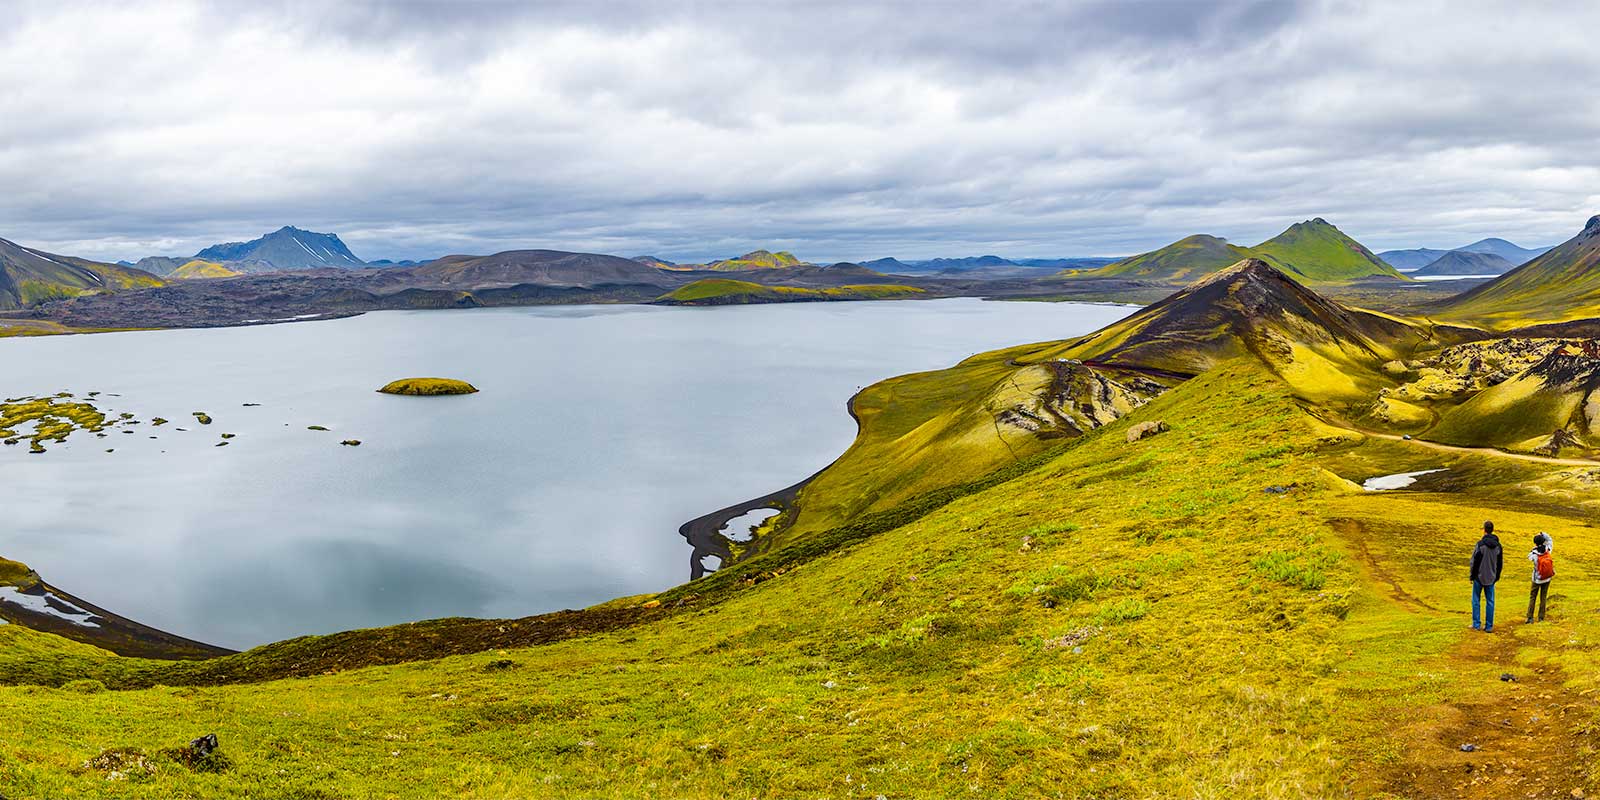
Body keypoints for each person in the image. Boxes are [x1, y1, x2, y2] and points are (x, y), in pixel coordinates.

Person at [1469, 521, 1503, 632]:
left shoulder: (1480, 545)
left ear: (1484, 530)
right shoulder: (1498, 546)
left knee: (1475, 600)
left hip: (1479, 576)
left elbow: (1474, 561)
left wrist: (1472, 576)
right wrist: (1496, 576)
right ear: (1492, 530)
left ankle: (1476, 624)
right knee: (1490, 601)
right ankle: (1489, 626)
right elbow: (1500, 563)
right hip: (1491, 577)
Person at [1527, 533, 1554, 623]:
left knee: (1533, 597)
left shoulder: (1533, 554)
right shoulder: (1548, 550)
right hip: (1547, 578)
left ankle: (1530, 617)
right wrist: (1543, 533)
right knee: (1543, 597)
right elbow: (1550, 540)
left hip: (1537, 579)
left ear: (1535, 543)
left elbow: (1529, 557)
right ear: (1543, 541)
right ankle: (1541, 617)